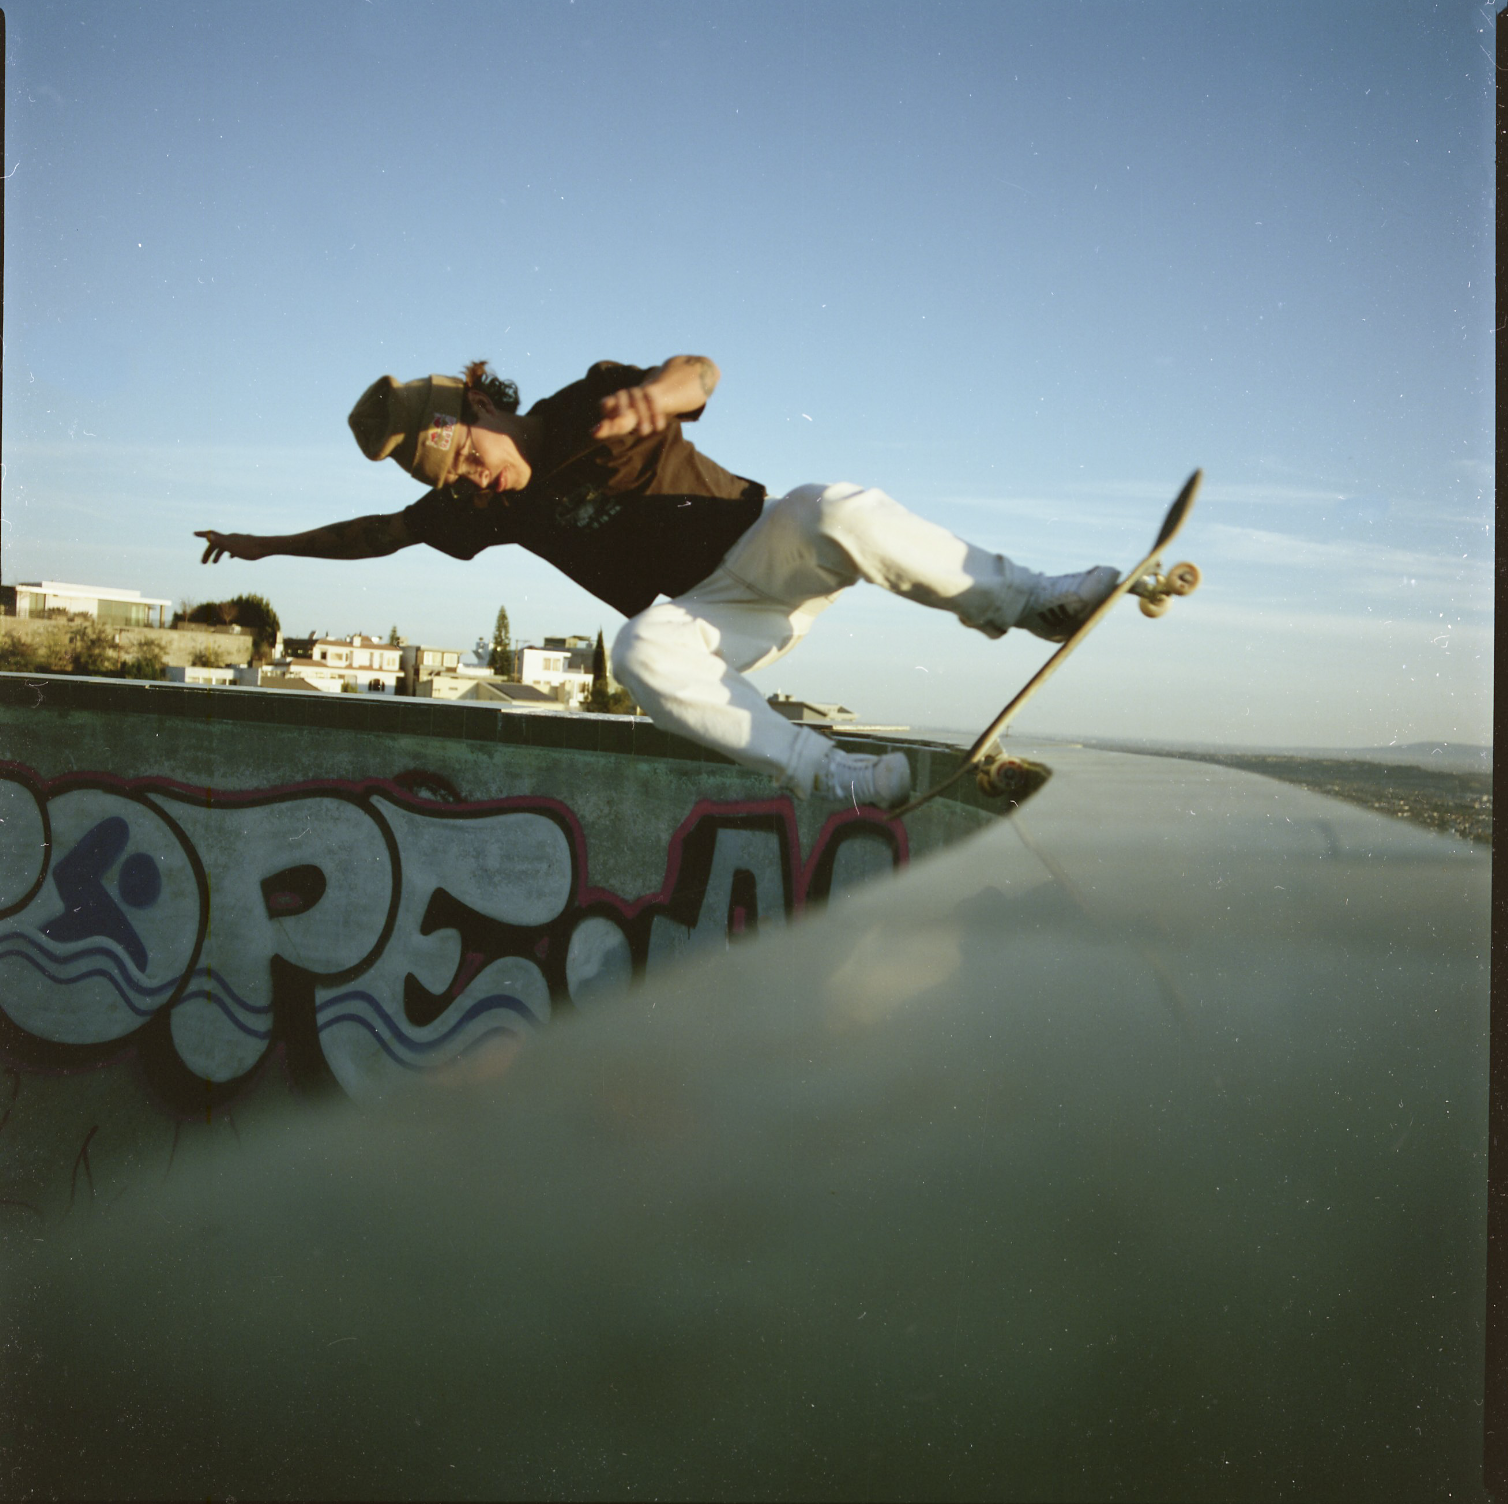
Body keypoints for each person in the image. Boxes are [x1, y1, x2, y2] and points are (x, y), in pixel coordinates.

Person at [196, 356, 1117, 809]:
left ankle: (1032, 602)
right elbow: (380, 534)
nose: (477, 484)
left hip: (766, 547)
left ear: (481, 407)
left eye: (470, 459)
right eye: (458, 486)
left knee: (831, 505)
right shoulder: (487, 509)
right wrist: (262, 547)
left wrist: (660, 397)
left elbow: (698, 371)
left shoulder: (588, 403)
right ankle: (834, 776)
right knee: (639, 649)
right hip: (716, 620)